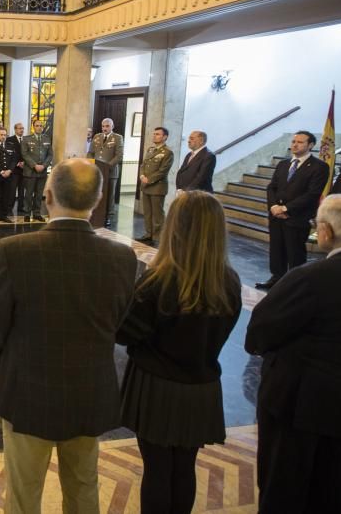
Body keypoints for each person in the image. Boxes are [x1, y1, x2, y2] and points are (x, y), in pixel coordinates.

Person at [0, 159, 137, 514]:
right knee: (84, 487)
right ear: (98, 200)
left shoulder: (15, 250)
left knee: (23, 494)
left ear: (47, 195)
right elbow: (120, 323)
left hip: (27, 392)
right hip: (90, 391)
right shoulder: (121, 257)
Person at [246, 194, 341, 514]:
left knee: (283, 492)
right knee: (331, 491)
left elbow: (258, 336)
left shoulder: (310, 277)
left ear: (326, 230)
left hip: (299, 404)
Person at [117, 191, 241, 514]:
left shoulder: (159, 281)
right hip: (201, 386)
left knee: (157, 470)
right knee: (184, 468)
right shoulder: (229, 281)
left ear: (176, 226)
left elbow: (125, 332)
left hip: (158, 386)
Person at [256, 130, 328, 290]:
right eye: (293, 141)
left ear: (310, 145)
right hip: (276, 215)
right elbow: (272, 187)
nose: (295, 144)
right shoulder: (283, 164)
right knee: (276, 249)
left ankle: (295, 283)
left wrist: (286, 208)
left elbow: (313, 193)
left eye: (300, 142)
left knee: (295, 251)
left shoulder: (319, 167)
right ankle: (276, 277)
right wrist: (274, 206)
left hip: (297, 217)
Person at [138, 127, 174, 243]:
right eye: (154, 134)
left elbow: (163, 170)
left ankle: (158, 236)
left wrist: (149, 179)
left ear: (165, 137)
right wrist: (142, 176)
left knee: (157, 214)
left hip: (157, 187)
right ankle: (149, 233)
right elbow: (143, 165)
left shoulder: (168, 152)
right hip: (146, 186)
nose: (154, 136)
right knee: (148, 213)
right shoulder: (150, 150)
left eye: (157, 134)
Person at [88, 118, 124, 226]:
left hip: (110, 172)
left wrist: (107, 166)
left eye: (107, 126)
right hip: (97, 171)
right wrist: (91, 162)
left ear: (112, 127)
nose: (104, 128)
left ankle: (108, 216)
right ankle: (95, 214)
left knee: (109, 195)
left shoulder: (117, 138)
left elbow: (119, 155)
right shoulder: (97, 137)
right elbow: (90, 152)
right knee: (96, 193)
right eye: (103, 126)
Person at [21, 119, 52, 222]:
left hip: (42, 171)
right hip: (30, 171)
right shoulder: (26, 139)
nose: (39, 127)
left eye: (41, 126)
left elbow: (50, 154)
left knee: (39, 194)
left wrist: (44, 165)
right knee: (29, 194)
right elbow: (24, 154)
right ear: (33, 127)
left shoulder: (47, 139)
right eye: (37, 125)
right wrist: (34, 165)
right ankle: (27, 213)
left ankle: (37, 213)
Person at [7, 123, 26, 217]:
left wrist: (24, 163)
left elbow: (28, 153)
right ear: (15, 129)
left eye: (22, 128)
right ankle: (9, 208)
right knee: (12, 190)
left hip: (24, 169)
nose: (21, 130)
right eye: (19, 128)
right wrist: (17, 163)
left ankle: (21, 208)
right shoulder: (10, 140)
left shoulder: (26, 139)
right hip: (14, 169)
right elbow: (9, 154)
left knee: (22, 190)